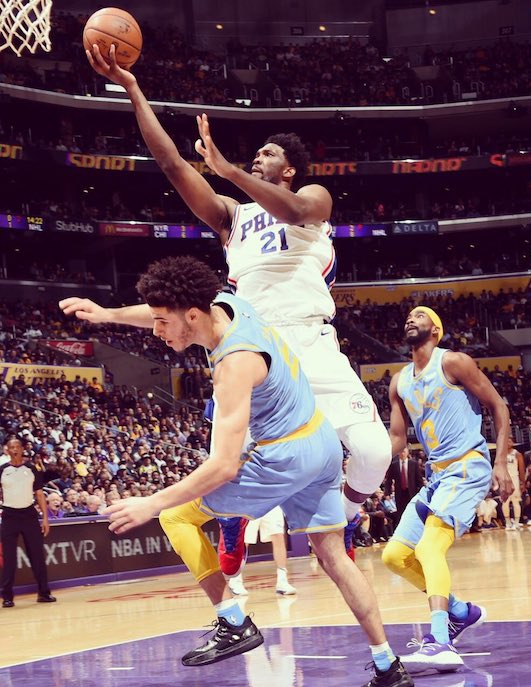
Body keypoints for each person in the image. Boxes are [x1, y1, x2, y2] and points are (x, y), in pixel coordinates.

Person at [59, 43, 392, 554]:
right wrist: (132, 88)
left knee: (372, 452)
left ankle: (346, 515)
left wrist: (230, 169)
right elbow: (171, 165)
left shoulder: (314, 199)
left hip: (312, 341)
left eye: (268, 155)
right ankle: (234, 517)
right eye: (254, 154)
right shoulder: (231, 217)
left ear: (288, 170)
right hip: (256, 347)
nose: (258, 158)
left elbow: (295, 209)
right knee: (228, 459)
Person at [100, 255, 412, 686]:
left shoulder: (234, 364)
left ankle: (232, 622)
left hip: (285, 457)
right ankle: (387, 665)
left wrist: (152, 503)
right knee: (333, 555)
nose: (155, 330)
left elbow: (224, 465)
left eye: (161, 322)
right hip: (321, 442)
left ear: (192, 315)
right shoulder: (230, 303)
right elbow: (160, 309)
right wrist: (107, 314)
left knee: (174, 515)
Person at [382, 306, 513, 674]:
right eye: (407, 315)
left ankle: (440, 641)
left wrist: (500, 462)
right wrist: (361, 462)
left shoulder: (454, 362)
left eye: (420, 315)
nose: (411, 318)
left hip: (467, 465)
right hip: (435, 476)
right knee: (393, 556)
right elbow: (396, 438)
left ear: (435, 331)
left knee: (429, 547)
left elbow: (498, 407)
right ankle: (458, 611)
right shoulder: (398, 381)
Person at [0, 437, 57, 607]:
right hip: (9, 516)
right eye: (12, 447)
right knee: (9, 558)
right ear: (7, 450)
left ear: (23, 449)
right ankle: (7, 597)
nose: (15, 449)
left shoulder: (31, 468)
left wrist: (45, 518)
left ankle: (44, 593)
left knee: (37, 556)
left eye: (18, 446)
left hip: (29, 516)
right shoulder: (2, 470)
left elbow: (40, 494)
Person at [226, 506, 296, 596]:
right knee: (245, 539)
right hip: (249, 501)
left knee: (277, 534)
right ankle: (235, 579)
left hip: (272, 499)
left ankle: (282, 581)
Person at [385, 446, 424, 525]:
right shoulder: (394, 465)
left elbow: (419, 480)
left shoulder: (413, 464)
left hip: (412, 493)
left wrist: (421, 492)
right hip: (399, 493)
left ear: (407, 452)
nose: (402, 453)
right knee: (401, 513)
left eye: (404, 451)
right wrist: (387, 492)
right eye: (401, 452)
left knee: (412, 511)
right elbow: (388, 480)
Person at [502, 436, 525, 530]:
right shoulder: (501, 454)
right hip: (504, 480)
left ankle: (516, 522)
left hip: (515, 479)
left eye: (510, 441)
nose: (508, 443)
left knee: (515, 501)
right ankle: (507, 522)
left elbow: (522, 469)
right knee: (505, 501)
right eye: (506, 441)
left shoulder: (517, 454)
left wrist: (522, 482)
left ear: (513, 443)